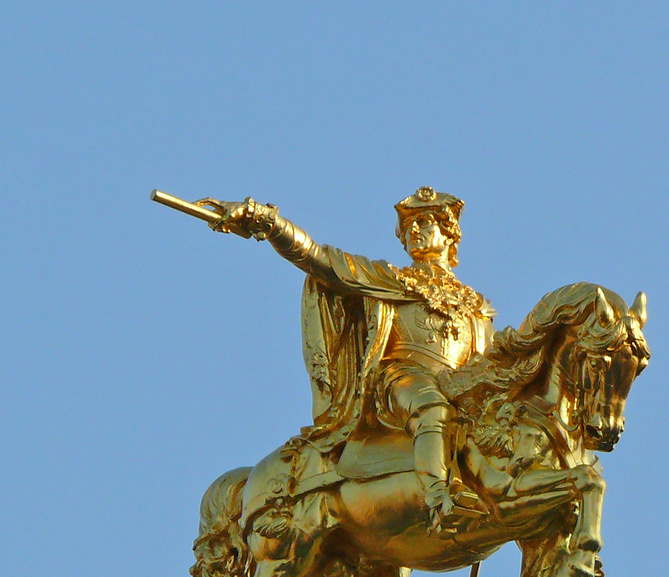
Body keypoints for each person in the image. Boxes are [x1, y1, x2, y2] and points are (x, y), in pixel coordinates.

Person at [204, 187, 493, 531]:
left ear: (449, 233)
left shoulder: (478, 307)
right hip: (399, 378)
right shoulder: (391, 279)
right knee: (431, 409)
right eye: (408, 227)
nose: (412, 231)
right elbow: (319, 258)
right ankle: (439, 498)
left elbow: (485, 365)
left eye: (424, 221)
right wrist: (266, 221)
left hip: (457, 389)